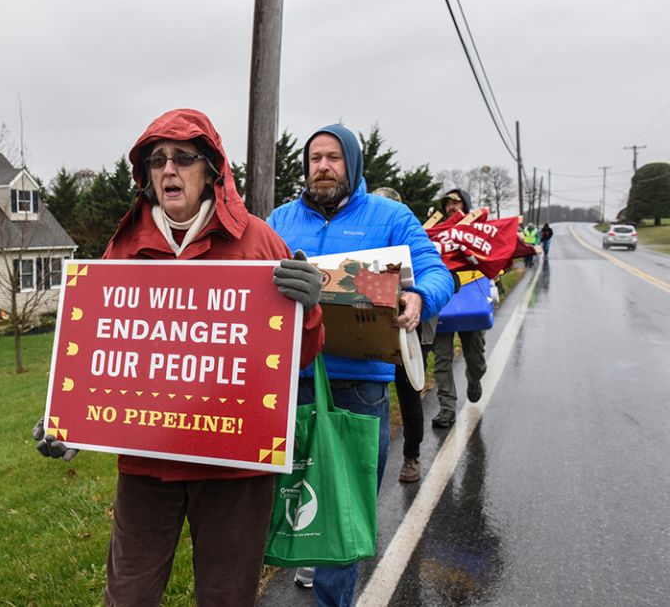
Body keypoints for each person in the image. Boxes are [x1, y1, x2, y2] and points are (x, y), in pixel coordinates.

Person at [34, 108, 325, 607]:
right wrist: (68, 423)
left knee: (227, 597)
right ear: (146, 175)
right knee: (127, 595)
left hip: (235, 464)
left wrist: (310, 310)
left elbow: (297, 358)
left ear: (211, 169)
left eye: (183, 158)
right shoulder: (124, 247)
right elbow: (102, 348)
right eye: (156, 159)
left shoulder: (258, 242)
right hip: (148, 460)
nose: (169, 169)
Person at [267, 125, 453, 604]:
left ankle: (333, 595)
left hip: (358, 386)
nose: (322, 167)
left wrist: (418, 296)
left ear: (353, 163)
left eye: (333, 158)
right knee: (279, 498)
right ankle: (304, 551)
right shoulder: (280, 221)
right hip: (288, 383)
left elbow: (437, 271)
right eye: (314, 159)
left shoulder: (390, 216)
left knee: (345, 508)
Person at [371, 186, 442, 484]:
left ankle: (411, 456)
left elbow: (442, 277)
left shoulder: (415, 240)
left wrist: (418, 297)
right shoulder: (368, 239)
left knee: (409, 395)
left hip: (408, 335)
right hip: (374, 334)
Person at [431, 189, 488, 429]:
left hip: (470, 302)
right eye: (448, 204)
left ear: (466, 204)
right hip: (444, 302)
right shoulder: (437, 234)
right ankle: (447, 409)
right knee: (442, 359)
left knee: (475, 356)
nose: (452, 207)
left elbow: (491, 256)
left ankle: (474, 380)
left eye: (456, 202)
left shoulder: (477, 232)